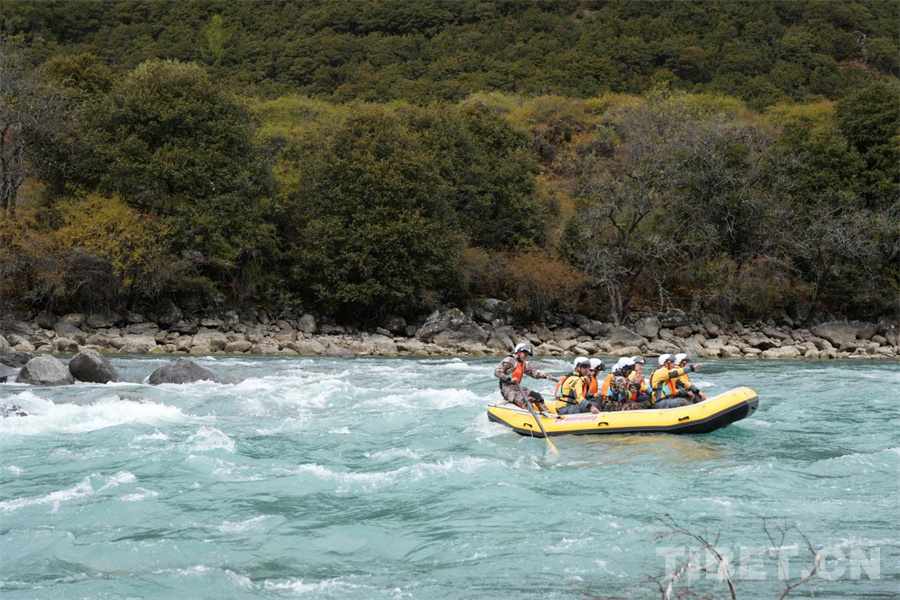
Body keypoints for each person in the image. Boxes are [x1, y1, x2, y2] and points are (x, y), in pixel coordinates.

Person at [494, 342, 556, 412]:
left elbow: (533, 372)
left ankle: (548, 414)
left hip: (517, 388)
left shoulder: (523, 363)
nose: (526, 356)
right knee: (526, 403)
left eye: (527, 355)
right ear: (518, 352)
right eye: (525, 354)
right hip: (507, 391)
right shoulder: (509, 361)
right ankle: (531, 414)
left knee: (538, 397)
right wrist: (509, 379)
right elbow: (497, 372)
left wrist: (546, 376)